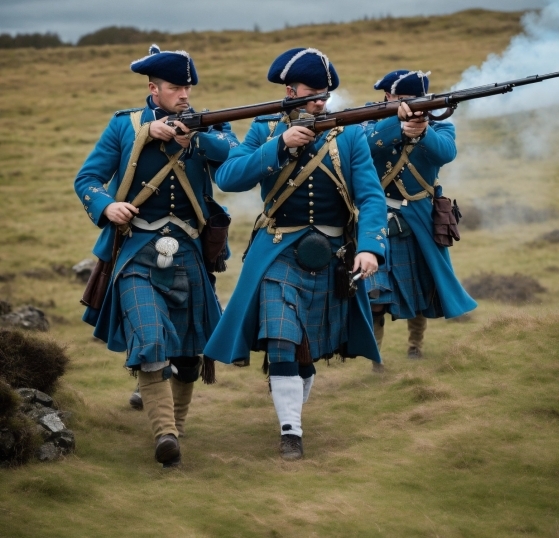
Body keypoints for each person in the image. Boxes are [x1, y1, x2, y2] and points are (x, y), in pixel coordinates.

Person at [203, 47, 387, 461]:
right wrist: (279, 146)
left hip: (332, 256)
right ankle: (291, 432)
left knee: (306, 354)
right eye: (311, 94)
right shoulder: (265, 128)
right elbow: (230, 177)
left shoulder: (349, 133)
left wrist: (373, 247)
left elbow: (372, 199)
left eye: (324, 95)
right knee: (282, 342)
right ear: (289, 91)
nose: (320, 103)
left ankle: (292, 414)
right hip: (276, 252)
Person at [74, 45, 238, 467]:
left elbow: (235, 161)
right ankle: (165, 435)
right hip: (135, 250)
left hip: (189, 251)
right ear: (153, 89)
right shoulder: (125, 126)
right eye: (175, 87)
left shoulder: (209, 128)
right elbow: (88, 178)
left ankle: (176, 426)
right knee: (150, 340)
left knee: (188, 353)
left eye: (187, 87)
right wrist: (107, 207)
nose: (184, 94)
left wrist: (194, 135)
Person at [362, 69, 476, 361]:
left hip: (421, 218)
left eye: (416, 99)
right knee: (375, 294)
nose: (411, 105)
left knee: (422, 292)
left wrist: (422, 130)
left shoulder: (440, 125)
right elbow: (363, 145)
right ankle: (375, 358)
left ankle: (415, 349)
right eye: (403, 99)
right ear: (388, 97)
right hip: (379, 216)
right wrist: (397, 125)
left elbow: (446, 153)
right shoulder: (370, 121)